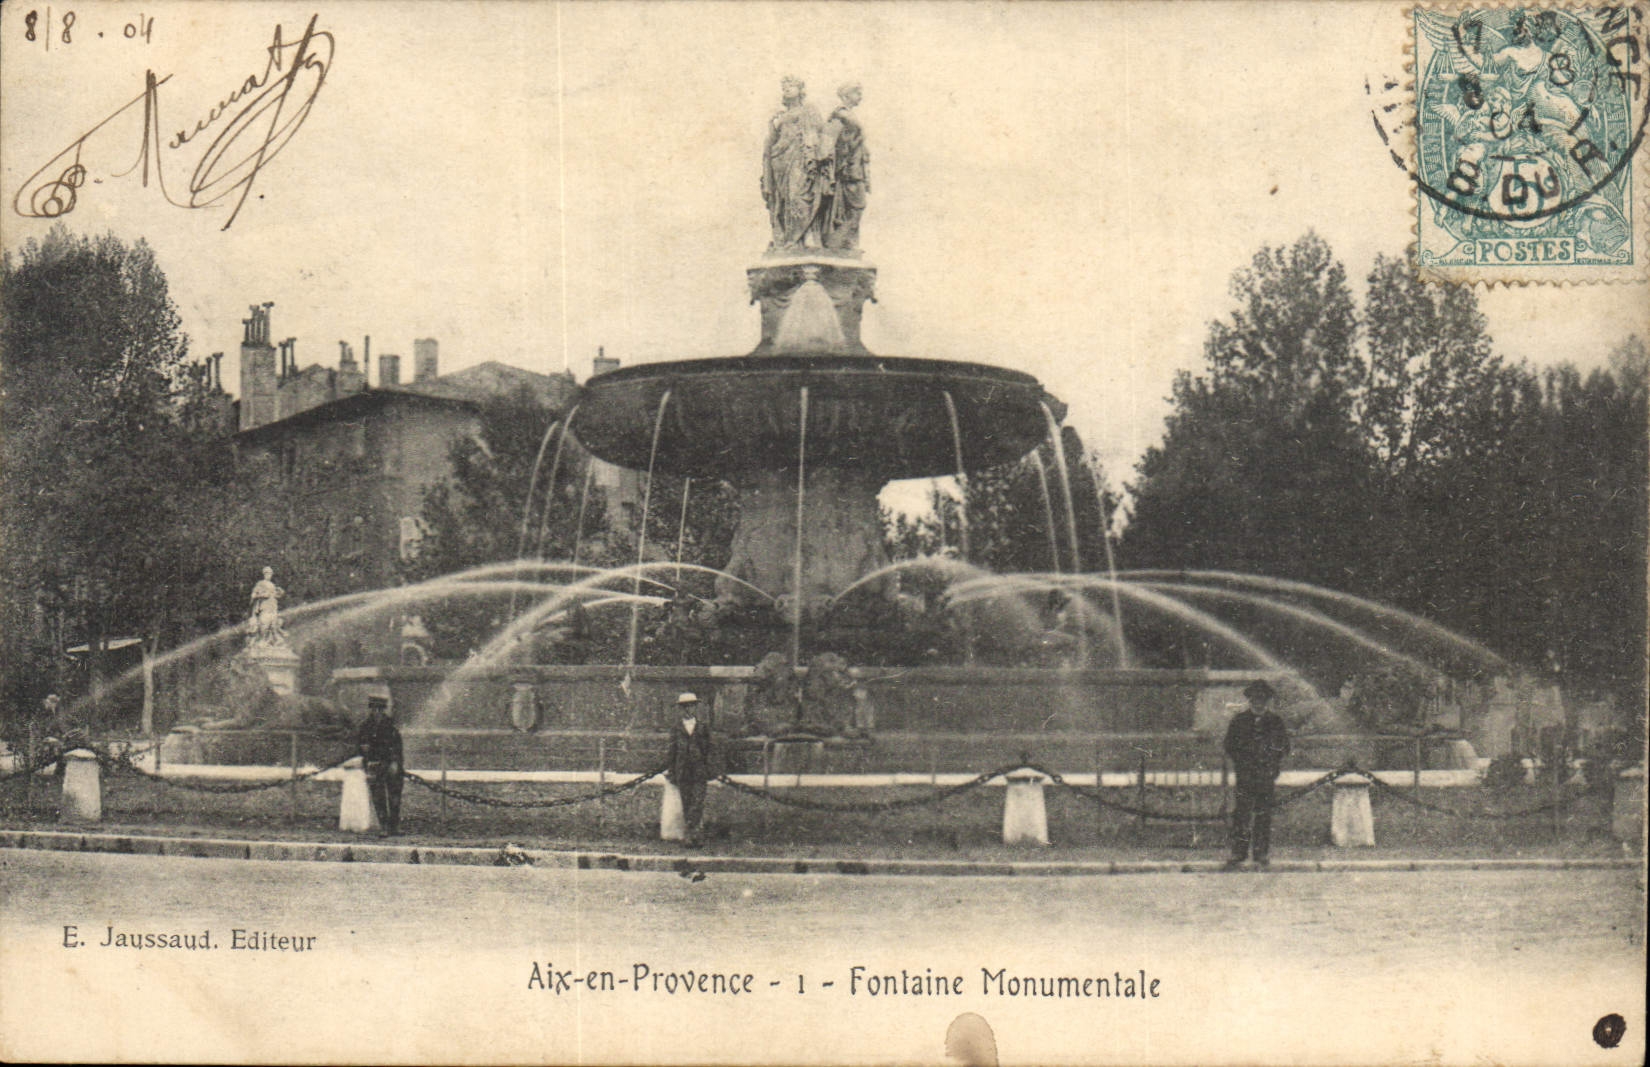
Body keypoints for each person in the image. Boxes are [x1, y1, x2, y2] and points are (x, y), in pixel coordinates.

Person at [1223, 679, 1290, 869]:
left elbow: (1284, 746)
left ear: (1267, 701)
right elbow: (1230, 745)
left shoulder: (1275, 722)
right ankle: (1239, 852)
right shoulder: (1239, 721)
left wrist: (1272, 762)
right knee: (1242, 814)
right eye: (1255, 700)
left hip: (1266, 775)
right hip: (1245, 775)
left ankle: (1261, 853)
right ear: (1250, 700)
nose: (1258, 703)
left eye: (1262, 700)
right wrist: (1242, 761)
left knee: (1263, 815)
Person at [761, 76, 823, 250]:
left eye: (791, 86)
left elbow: (817, 130)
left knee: (799, 195)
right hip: (780, 161)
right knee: (785, 199)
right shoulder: (780, 115)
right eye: (784, 87)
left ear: (800, 90)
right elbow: (771, 141)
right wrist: (772, 125)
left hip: (800, 158)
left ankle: (805, 236)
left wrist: (812, 153)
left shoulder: (808, 110)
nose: (786, 89)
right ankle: (790, 240)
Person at [816, 81, 869, 251]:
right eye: (857, 93)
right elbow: (828, 143)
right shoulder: (841, 115)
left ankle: (847, 242)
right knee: (853, 204)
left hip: (855, 167)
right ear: (847, 95)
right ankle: (841, 242)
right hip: (847, 170)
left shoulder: (848, 115)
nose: (860, 96)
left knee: (854, 206)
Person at [665, 692, 715, 847]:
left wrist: (709, 768)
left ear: (695, 708)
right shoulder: (676, 728)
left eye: (691, 706)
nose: (688, 709)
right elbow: (672, 752)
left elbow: (709, 750)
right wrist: (672, 771)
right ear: (681, 709)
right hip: (683, 771)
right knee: (687, 803)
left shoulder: (702, 727)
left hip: (699, 770)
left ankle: (691, 832)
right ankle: (693, 835)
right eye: (685, 706)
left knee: (698, 802)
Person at [357, 693, 404, 836]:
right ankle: (384, 826)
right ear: (370, 710)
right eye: (374, 709)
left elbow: (397, 746)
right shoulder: (365, 727)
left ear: (383, 710)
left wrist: (395, 763)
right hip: (374, 764)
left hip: (391, 764)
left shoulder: (391, 727)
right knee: (378, 797)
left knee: (394, 797)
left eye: (379, 709)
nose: (376, 712)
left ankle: (394, 826)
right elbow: (361, 746)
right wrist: (366, 755)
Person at [248, 566, 285, 644]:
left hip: (273, 607)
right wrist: (262, 595)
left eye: (270, 573)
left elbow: (275, 595)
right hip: (264, 607)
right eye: (267, 573)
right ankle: (261, 641)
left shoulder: (272, 585)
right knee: (264, 624)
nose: (269, 575)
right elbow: (253, 595)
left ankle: (272, 641)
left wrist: (280, 593)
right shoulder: (260, 583)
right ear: (264, 574)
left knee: (274, 626)